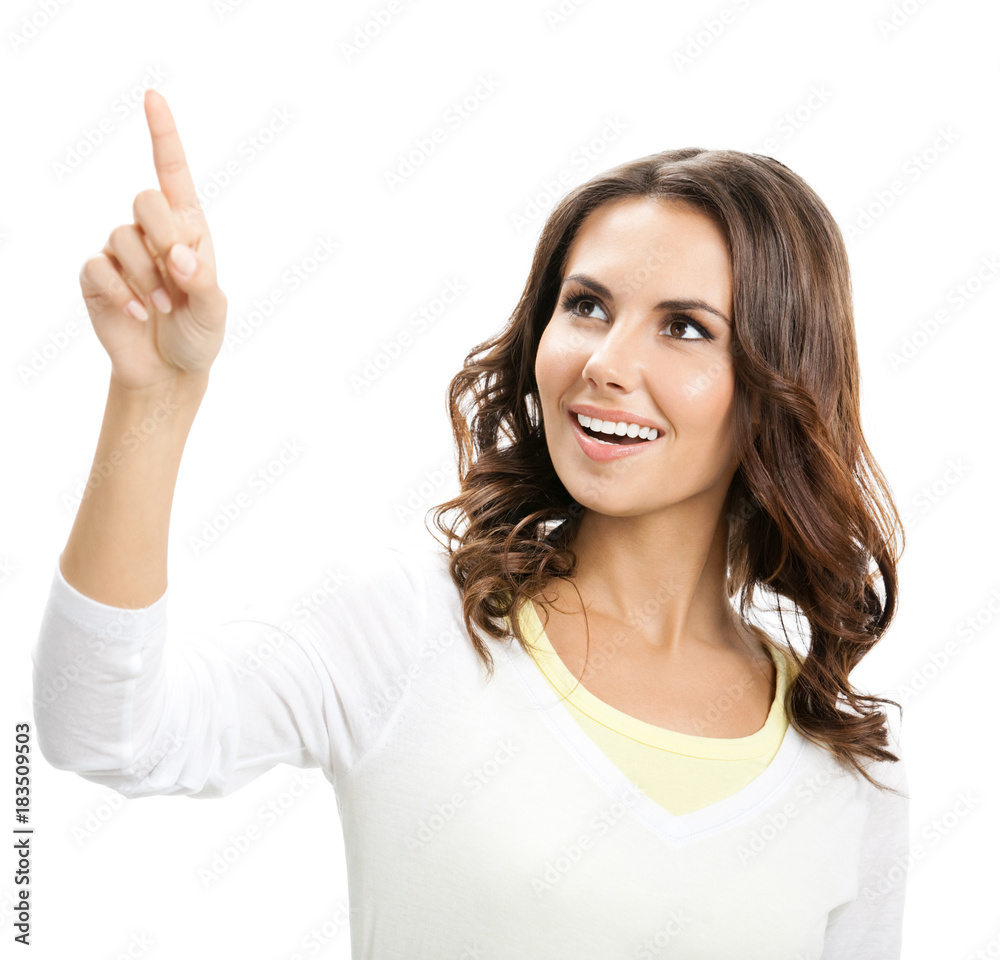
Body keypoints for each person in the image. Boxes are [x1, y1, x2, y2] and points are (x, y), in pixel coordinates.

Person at [32, 88, 909, 958]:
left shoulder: (846, 772)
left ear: (778, 384)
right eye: (587, 306)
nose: (605, 363)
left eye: (683, 327)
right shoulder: (411, 632)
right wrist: (152, 396)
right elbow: (106, 731)